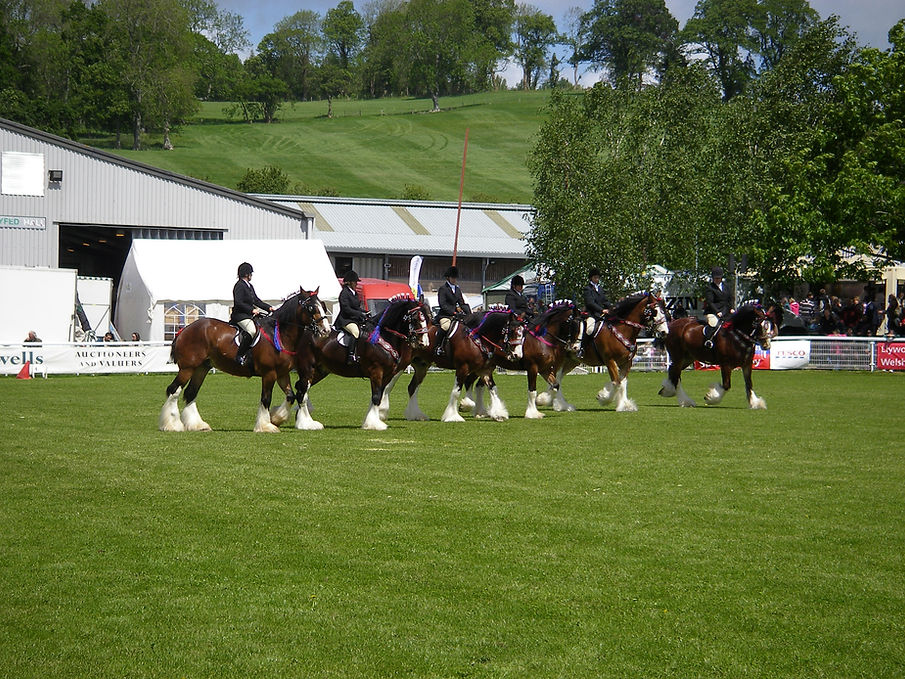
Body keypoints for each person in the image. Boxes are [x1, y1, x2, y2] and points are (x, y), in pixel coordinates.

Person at [230, 262, 274, 367]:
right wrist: (252, 310)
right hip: (240, 316)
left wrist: (269, 307)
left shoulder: (249, 286)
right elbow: (239, 302)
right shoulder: (239, 286)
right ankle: (240, 355)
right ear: (247, 274)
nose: (251, 275)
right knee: (252, 331)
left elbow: (256, 301)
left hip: (248, 315)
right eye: (250, 273)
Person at [435, 265, 471, 355]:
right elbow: (442, 304)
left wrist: (469, 313)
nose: (454, 279)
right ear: (448, 278)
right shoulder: (443, 289)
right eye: (453, 278)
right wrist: (454, 312)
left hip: (456, 315)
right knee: (445, 327)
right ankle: (438, 346)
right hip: (445, 315)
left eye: (455, 278)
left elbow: (461, 303)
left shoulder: (457, 289)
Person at [335, 270, 369, 364]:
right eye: (355, 282)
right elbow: (346, 309)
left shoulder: (355, 293)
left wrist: (365, 312)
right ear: (349, 282)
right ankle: (350, 356)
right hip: (345, 320)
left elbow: (357, 307)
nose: (356, 284)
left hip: (354, 319)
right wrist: (360, 314)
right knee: (356, 332)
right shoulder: (344, 294)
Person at [702, 266, 732, 348]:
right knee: (714, 323)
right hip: (713, 311)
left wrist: (731, 308)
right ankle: (709, 340)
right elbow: (710, 302)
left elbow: (730, 299)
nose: (717, 280)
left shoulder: (726, 286)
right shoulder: (710, 288)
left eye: (719, 278)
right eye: (715, 278)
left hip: (725, 310)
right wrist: (717, 312)